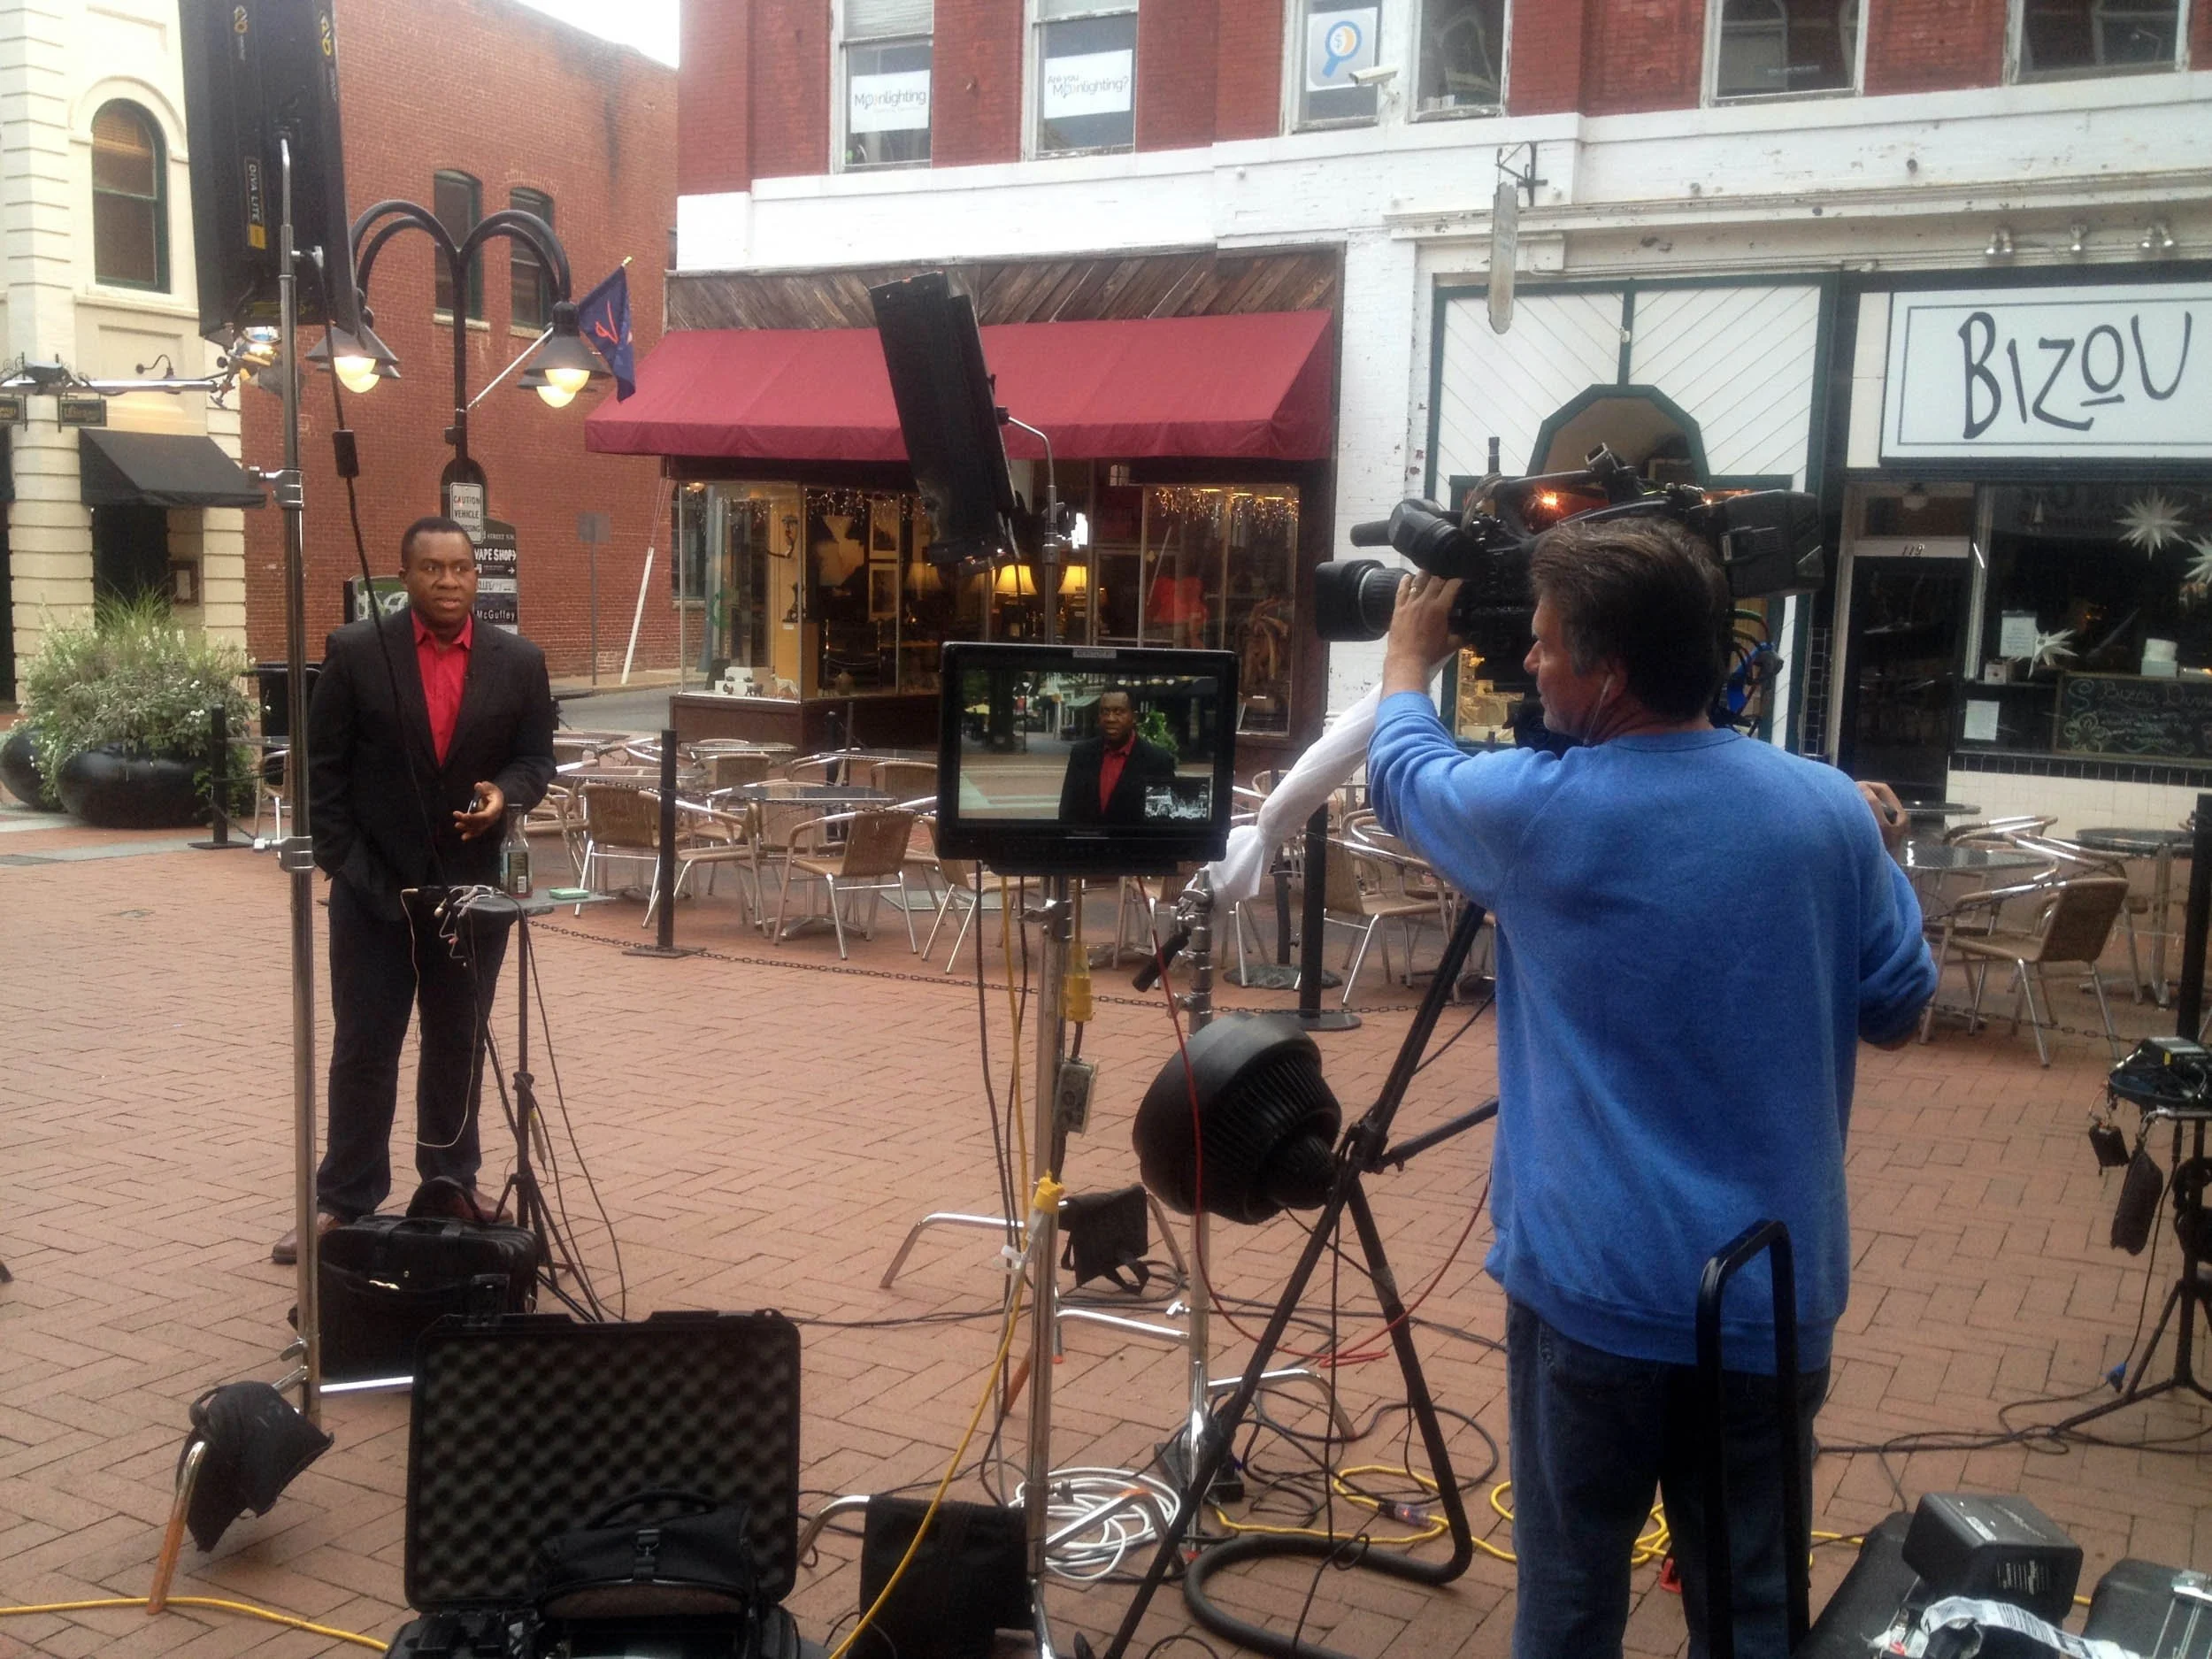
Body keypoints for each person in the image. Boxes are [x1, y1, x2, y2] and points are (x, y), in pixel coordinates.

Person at [1363, 518, 1933, 1659]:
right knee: (1751, 1614)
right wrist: (1871, 851)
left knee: (1571, 1608)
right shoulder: (1827, 809)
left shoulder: (1535, 810)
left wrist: (1405, 659)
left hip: (1594, 1296)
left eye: (1543, 643)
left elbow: (1402, 772)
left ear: (1608, 672)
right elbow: (1898, 1008)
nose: (1530, 662)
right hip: (1766, 1301)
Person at [272, 516, 556, 1263]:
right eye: (433, 568)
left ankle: (449, 1183)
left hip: (472, 896)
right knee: (366, 1047)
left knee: (458, 1043)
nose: (449, 581)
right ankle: (344, 1200)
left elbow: (537, 759)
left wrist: (506, 793)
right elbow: (320, 774)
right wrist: (351, 868)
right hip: (374, 895)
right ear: (404, 577)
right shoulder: (357, 652)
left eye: (461, 568)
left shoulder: (520, 661)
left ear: (476, 575)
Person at [1057, 687, 1177, 826]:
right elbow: (1067, 810)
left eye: (1119, 712)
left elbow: (1162, 822)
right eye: (1105, 712)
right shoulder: (1081, 754)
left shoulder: (1158, 760)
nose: (1111, 718)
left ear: (1134, 717)